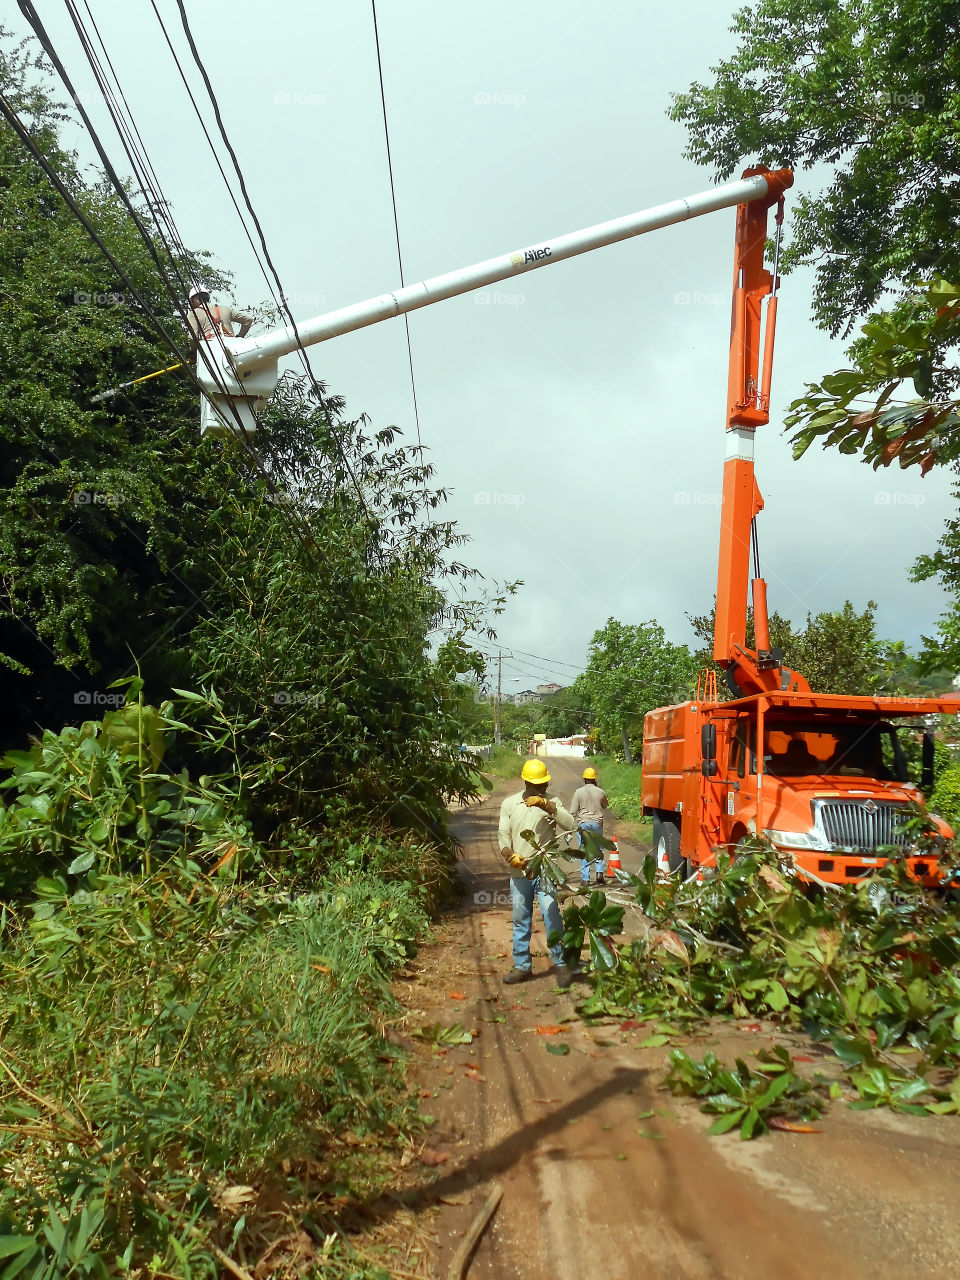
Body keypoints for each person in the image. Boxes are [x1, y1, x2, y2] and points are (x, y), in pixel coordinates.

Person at [498, 758, 576, 987]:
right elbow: (503, 833)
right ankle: (522, 966)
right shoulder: (510, 804)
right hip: (520, 871)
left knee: (551, 916)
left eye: (543, 785)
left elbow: (570, 824)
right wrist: (509, 855)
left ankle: (560, 963)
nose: (541, 789)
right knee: (521, 920)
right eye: (536, 785)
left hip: (545, 869)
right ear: (525, 782)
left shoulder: (553, 803)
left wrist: (546, 806)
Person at [570, 765, 609, 886]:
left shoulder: (578, 792)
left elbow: (573, 811)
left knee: (584, 850)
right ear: (594, 779)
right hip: (597, 823)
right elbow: (605, 805)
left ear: (584, 779)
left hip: (583, 824)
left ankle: (586, 879)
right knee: (599, 848)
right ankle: (599, 873)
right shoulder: (600, 792)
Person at [186, 287, 255, 343]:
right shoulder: (226, 309)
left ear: (193, 300)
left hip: (211, 347)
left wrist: (195, 353)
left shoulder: (193, 313)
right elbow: (248, 320)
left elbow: (192, 338)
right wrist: (239, 337)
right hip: (232, 345)